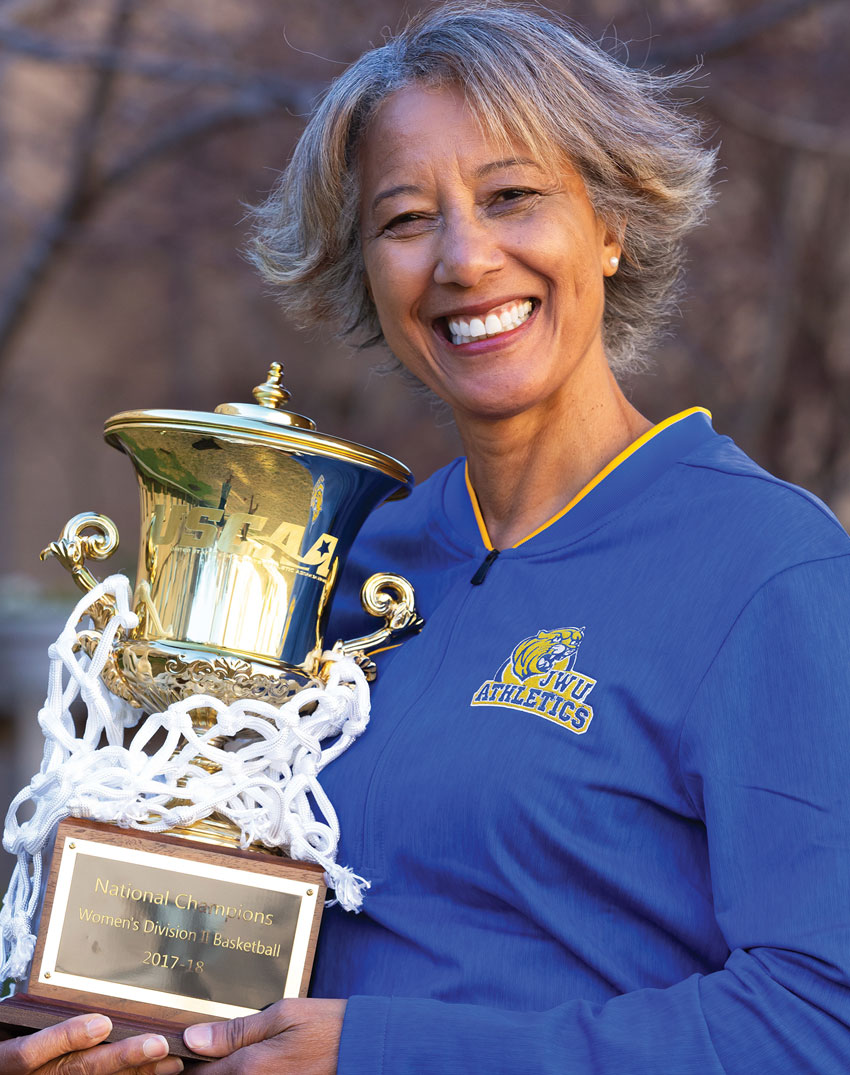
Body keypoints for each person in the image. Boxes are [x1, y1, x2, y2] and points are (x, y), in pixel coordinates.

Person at [5, 2, 850, 1072]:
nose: (463, 257)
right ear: (362, 268)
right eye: (405, 219)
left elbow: (820, 1019)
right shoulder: (335, 570)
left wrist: (386, 1052)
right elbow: (207, 945)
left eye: (512, 198)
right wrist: (99, 1037)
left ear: (609, 222)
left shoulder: (769, 569)